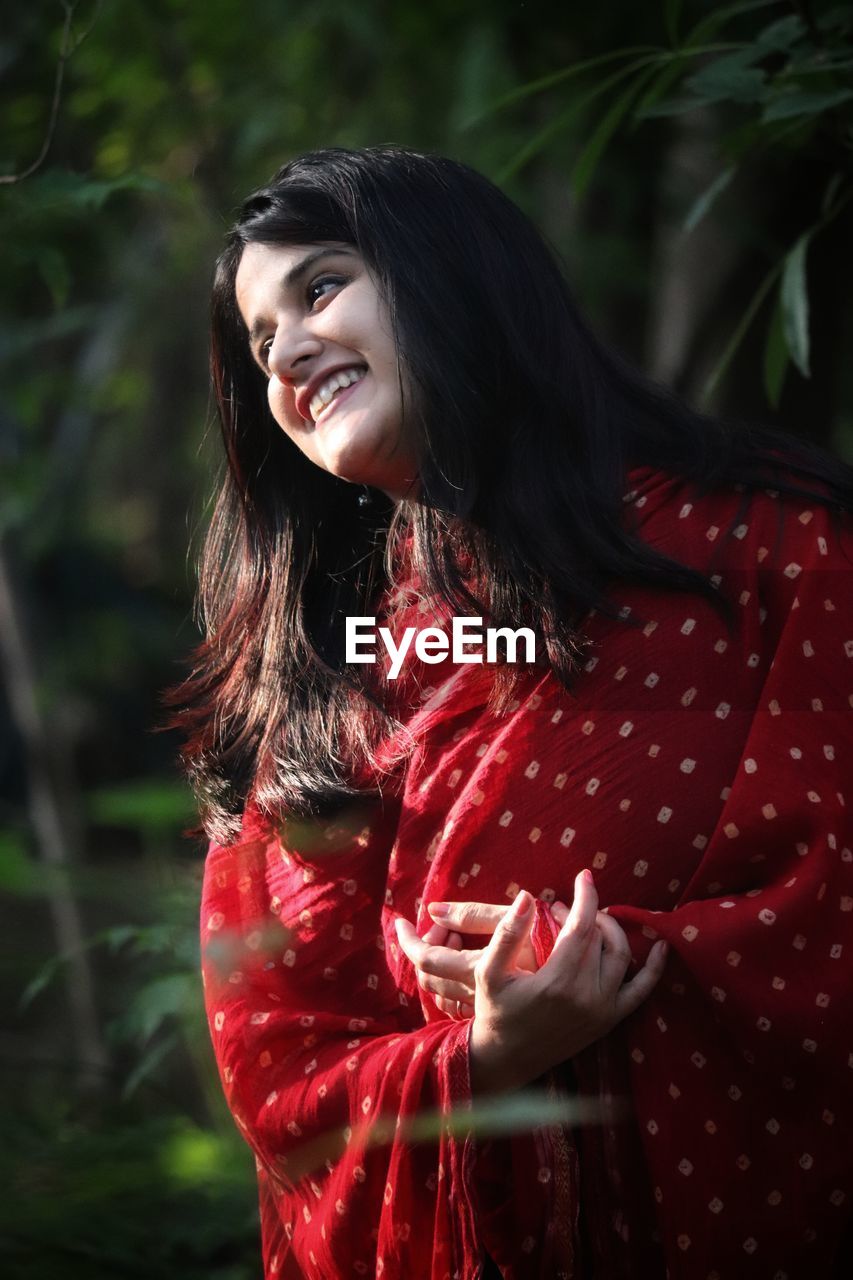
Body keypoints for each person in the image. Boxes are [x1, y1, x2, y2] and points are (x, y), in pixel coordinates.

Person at [172, 146, 853, 1278]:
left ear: (454, 275)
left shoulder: (770, 547)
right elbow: (279, 1064)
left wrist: (619, 965)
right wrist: (489, 1054)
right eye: (257, 343)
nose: (284, 350)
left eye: (321, 286)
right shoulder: (320, 670)